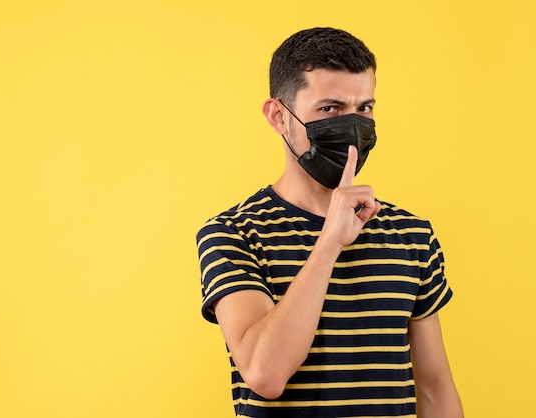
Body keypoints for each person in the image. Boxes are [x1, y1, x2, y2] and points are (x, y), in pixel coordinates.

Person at [196, 27, 463, 417]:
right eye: (330, 109)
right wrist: (329, 244)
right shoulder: (233, 234)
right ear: (278, 117)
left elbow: (436, 390)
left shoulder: (411, 236)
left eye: (364, 109)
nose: (352, 127)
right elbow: (264, 373)